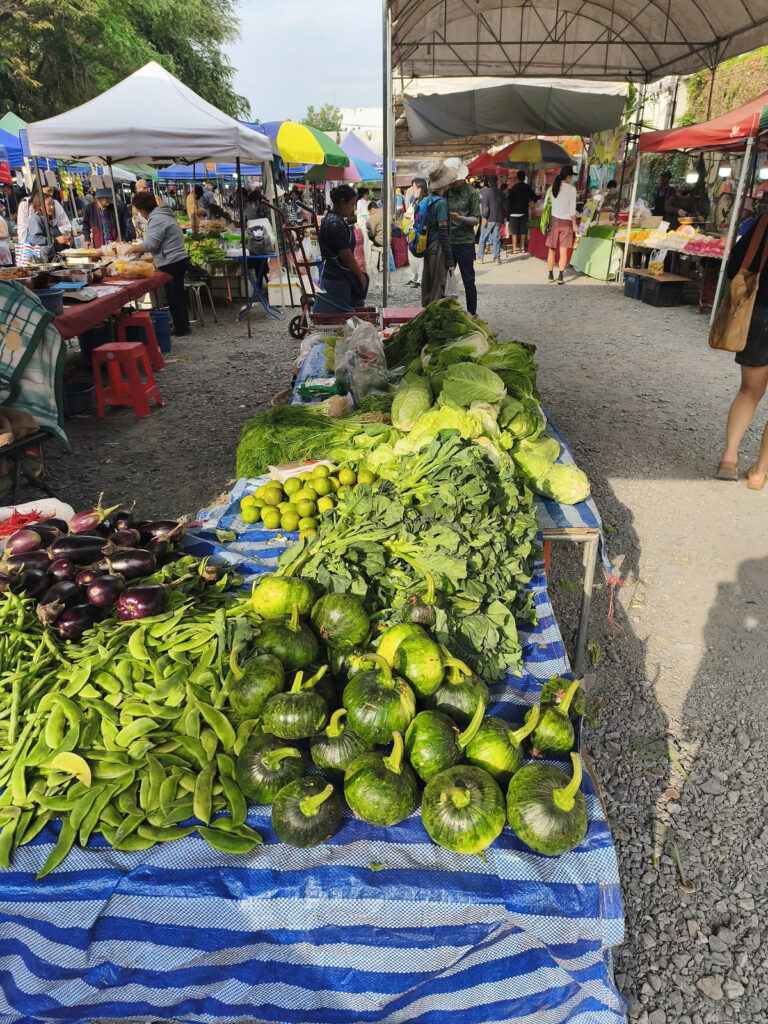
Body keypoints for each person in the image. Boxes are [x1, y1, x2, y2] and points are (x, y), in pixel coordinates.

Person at [717, 212, 768, 488]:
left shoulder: (763, 222)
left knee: (749, 391)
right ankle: (760, 472)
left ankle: (728, 457)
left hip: (758, 315)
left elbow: (736, 261)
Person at [128, 191, 191, 336]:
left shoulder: (157, 218)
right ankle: (183, 325)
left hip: (171, 260)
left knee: (174, 295)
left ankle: (181, 328)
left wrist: (135, 249)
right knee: (178, 294)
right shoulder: (163, 214)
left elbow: (150, 244)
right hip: (177, 259)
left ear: (142, 209)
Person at [313, 184, 367, 314]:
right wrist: (359, 275)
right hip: (337, 278)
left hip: (336, 275)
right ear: (342, 202)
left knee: (347, 314)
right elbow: (345, 254)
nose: (352, 209)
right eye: (352, 204)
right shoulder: (335, 223)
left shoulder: (333, 219)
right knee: (341, 318)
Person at [446, 162, 480, 315]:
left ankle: (472, 314)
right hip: (448, 241)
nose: (453, 183)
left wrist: (460, 219)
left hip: (465, 241)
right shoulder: (446, 191)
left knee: (468, 280)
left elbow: (476, 220)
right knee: (446, 280)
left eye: (455, 180)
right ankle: (447, 313)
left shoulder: (471, 192)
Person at [421, 162, 457, 307]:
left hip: (428, 245)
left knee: (428, 282)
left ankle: (426, 311)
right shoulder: (441, 203)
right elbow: (443, 232)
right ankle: (434, 316)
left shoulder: (428, 200)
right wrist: (449, 256)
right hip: (438, 246)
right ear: (444, 184)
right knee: (438, 284)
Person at [545, 166, 578, 284]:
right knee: (563, 250)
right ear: (568, 177)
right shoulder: (572, 190)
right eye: (571, 176)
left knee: (552, 249)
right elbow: (572, 210)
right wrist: (574, 224)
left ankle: (550, 275)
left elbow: (546, 206)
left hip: (554, 221)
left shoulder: (552, 187)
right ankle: (560, 276)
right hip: (566, 222)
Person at [24, 194, 72, 261]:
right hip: (41, 260)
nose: (52, 207)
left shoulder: (49, 219)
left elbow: (55, 237)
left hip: (53, 258)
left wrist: (65, 241)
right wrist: (56, 240)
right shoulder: (35, 219)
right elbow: (36, 239)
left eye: (52, 204)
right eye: (49, 204)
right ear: (40, 206)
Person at [506, 170, 537, 254]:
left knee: (514, 232)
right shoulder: (527, 187)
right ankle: (523, 248)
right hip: (524, 213)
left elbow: (508, 201)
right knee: (523, 231)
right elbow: (535, 198)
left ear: (517, 178)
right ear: (524, 178)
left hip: (513, 213)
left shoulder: (513, 188)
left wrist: (507, 213)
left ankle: (514, 249)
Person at [403, 177, 427, 289]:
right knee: (411, 256)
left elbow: (421, 216)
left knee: (418, 257)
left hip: (419, 232)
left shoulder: (425, 201)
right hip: (411, 231)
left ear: (420, 188)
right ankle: (414, 277)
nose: (412, 190)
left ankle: (420, 280)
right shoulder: (415, 200)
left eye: (414, 187)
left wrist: (410, 216)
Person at [477, 175, 505, 263]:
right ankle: (497, 259)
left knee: (483, 238)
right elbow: (506, 206)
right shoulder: (500, 192)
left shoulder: (486, 192)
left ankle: (480, 258)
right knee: (496, 239)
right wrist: (504, 215)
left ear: (488, 183)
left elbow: (485, 207)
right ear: (496, 182)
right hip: (498, 218)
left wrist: (484, 217)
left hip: (488, 218)